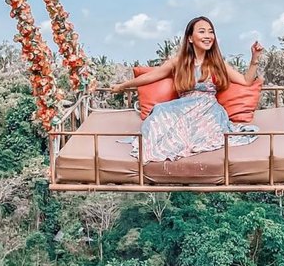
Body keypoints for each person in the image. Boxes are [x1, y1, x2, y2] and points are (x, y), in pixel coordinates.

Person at [108, 16, 264, 162]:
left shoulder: (217, 63)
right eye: (202, 31)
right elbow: (151, 76)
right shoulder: (179, 62)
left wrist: (255, 58)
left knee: (197, 133)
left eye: (211, 32)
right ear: (190, 38)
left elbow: (245, 80)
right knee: (160, 111)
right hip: (183, 107)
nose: (208, 36)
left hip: (208, 109)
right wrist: (122, 86)